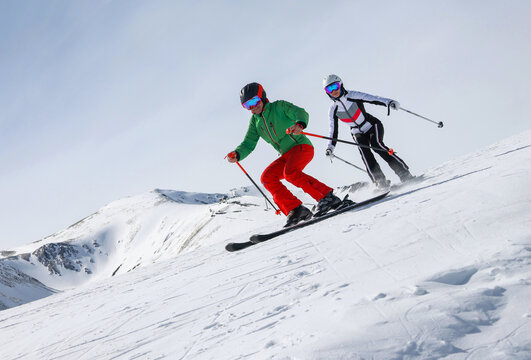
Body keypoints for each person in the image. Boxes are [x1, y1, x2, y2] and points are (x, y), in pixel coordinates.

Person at [226, 82, 342, 227]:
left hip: (301, 146)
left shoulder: (278, 107)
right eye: (248, 105)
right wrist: (237, 153)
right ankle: (296, 209)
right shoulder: (255, 122)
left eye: (255, 101)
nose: (253, 106)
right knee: (267, 178)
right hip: (286, 155)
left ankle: (327, 197)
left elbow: (300, 112)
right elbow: (249, 142)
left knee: (290, 173)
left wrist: (299, 124)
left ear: (262, 97)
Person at [322, 74, 414, 188]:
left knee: (377, 146)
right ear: (326, 92)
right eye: (329, 89)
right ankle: (380, 182)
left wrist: (389, 102)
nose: (333, 91)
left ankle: (404, 174)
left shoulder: (352, 95)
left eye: (335, 86)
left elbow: (373, 98)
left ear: (340, 85)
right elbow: (333, 129)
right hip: (357, 132)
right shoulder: (333, 109)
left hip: (371, 125)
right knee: (365, 153)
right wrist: (330, 147)